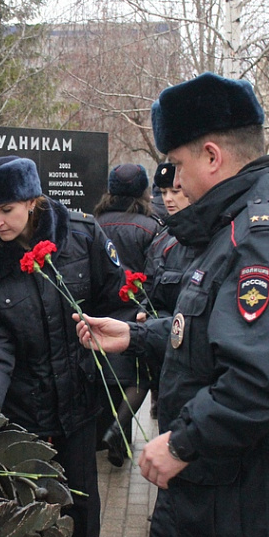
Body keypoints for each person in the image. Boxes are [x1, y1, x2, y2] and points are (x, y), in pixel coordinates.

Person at [73, 72, 269, 537]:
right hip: (230, 515)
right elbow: (214, 334)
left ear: (211, 156)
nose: (174, 182)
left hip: (251, 522)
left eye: (177, 165)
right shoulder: (237, 226)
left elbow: (265, 377)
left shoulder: (262, 236)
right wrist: (138, 337)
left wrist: (182, 442)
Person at [0, 155, 128, 537]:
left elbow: (117, 299)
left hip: (76, 405)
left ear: (32, 202)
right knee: (22, 519)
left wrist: (114, 350)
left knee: (83, 518)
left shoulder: (82, 235)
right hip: (22, 412)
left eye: (6, 210)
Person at [94, 163, 163, 466]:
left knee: (110, 381)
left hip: (100, 314)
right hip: (136, 314)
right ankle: (118, 430)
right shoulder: (151, 227)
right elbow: (155, 273)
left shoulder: (94, 224)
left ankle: (116, 439)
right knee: (141, 377)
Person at [141, 163, 197, 421]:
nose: (169, 199)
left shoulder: (202, 237)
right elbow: (150, 287)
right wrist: (143, 311)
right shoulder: (163, 237)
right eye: (163, 193)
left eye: (175, 191)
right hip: (163, 349)